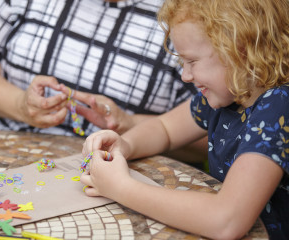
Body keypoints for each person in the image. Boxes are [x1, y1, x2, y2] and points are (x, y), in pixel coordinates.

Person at [80, 0, 289, 239]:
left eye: (191, 61)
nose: (185, 75)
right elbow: (165, 128)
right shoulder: (230, 93)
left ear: (240, 50)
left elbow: (227, 219)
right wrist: (124, 144)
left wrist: (121, 187)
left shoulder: (279, 105)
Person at [0, 0, 206, 163]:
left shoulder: (188, 13)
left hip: (114, 170)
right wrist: (20, 105)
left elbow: (211, 131)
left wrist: (129, 125)